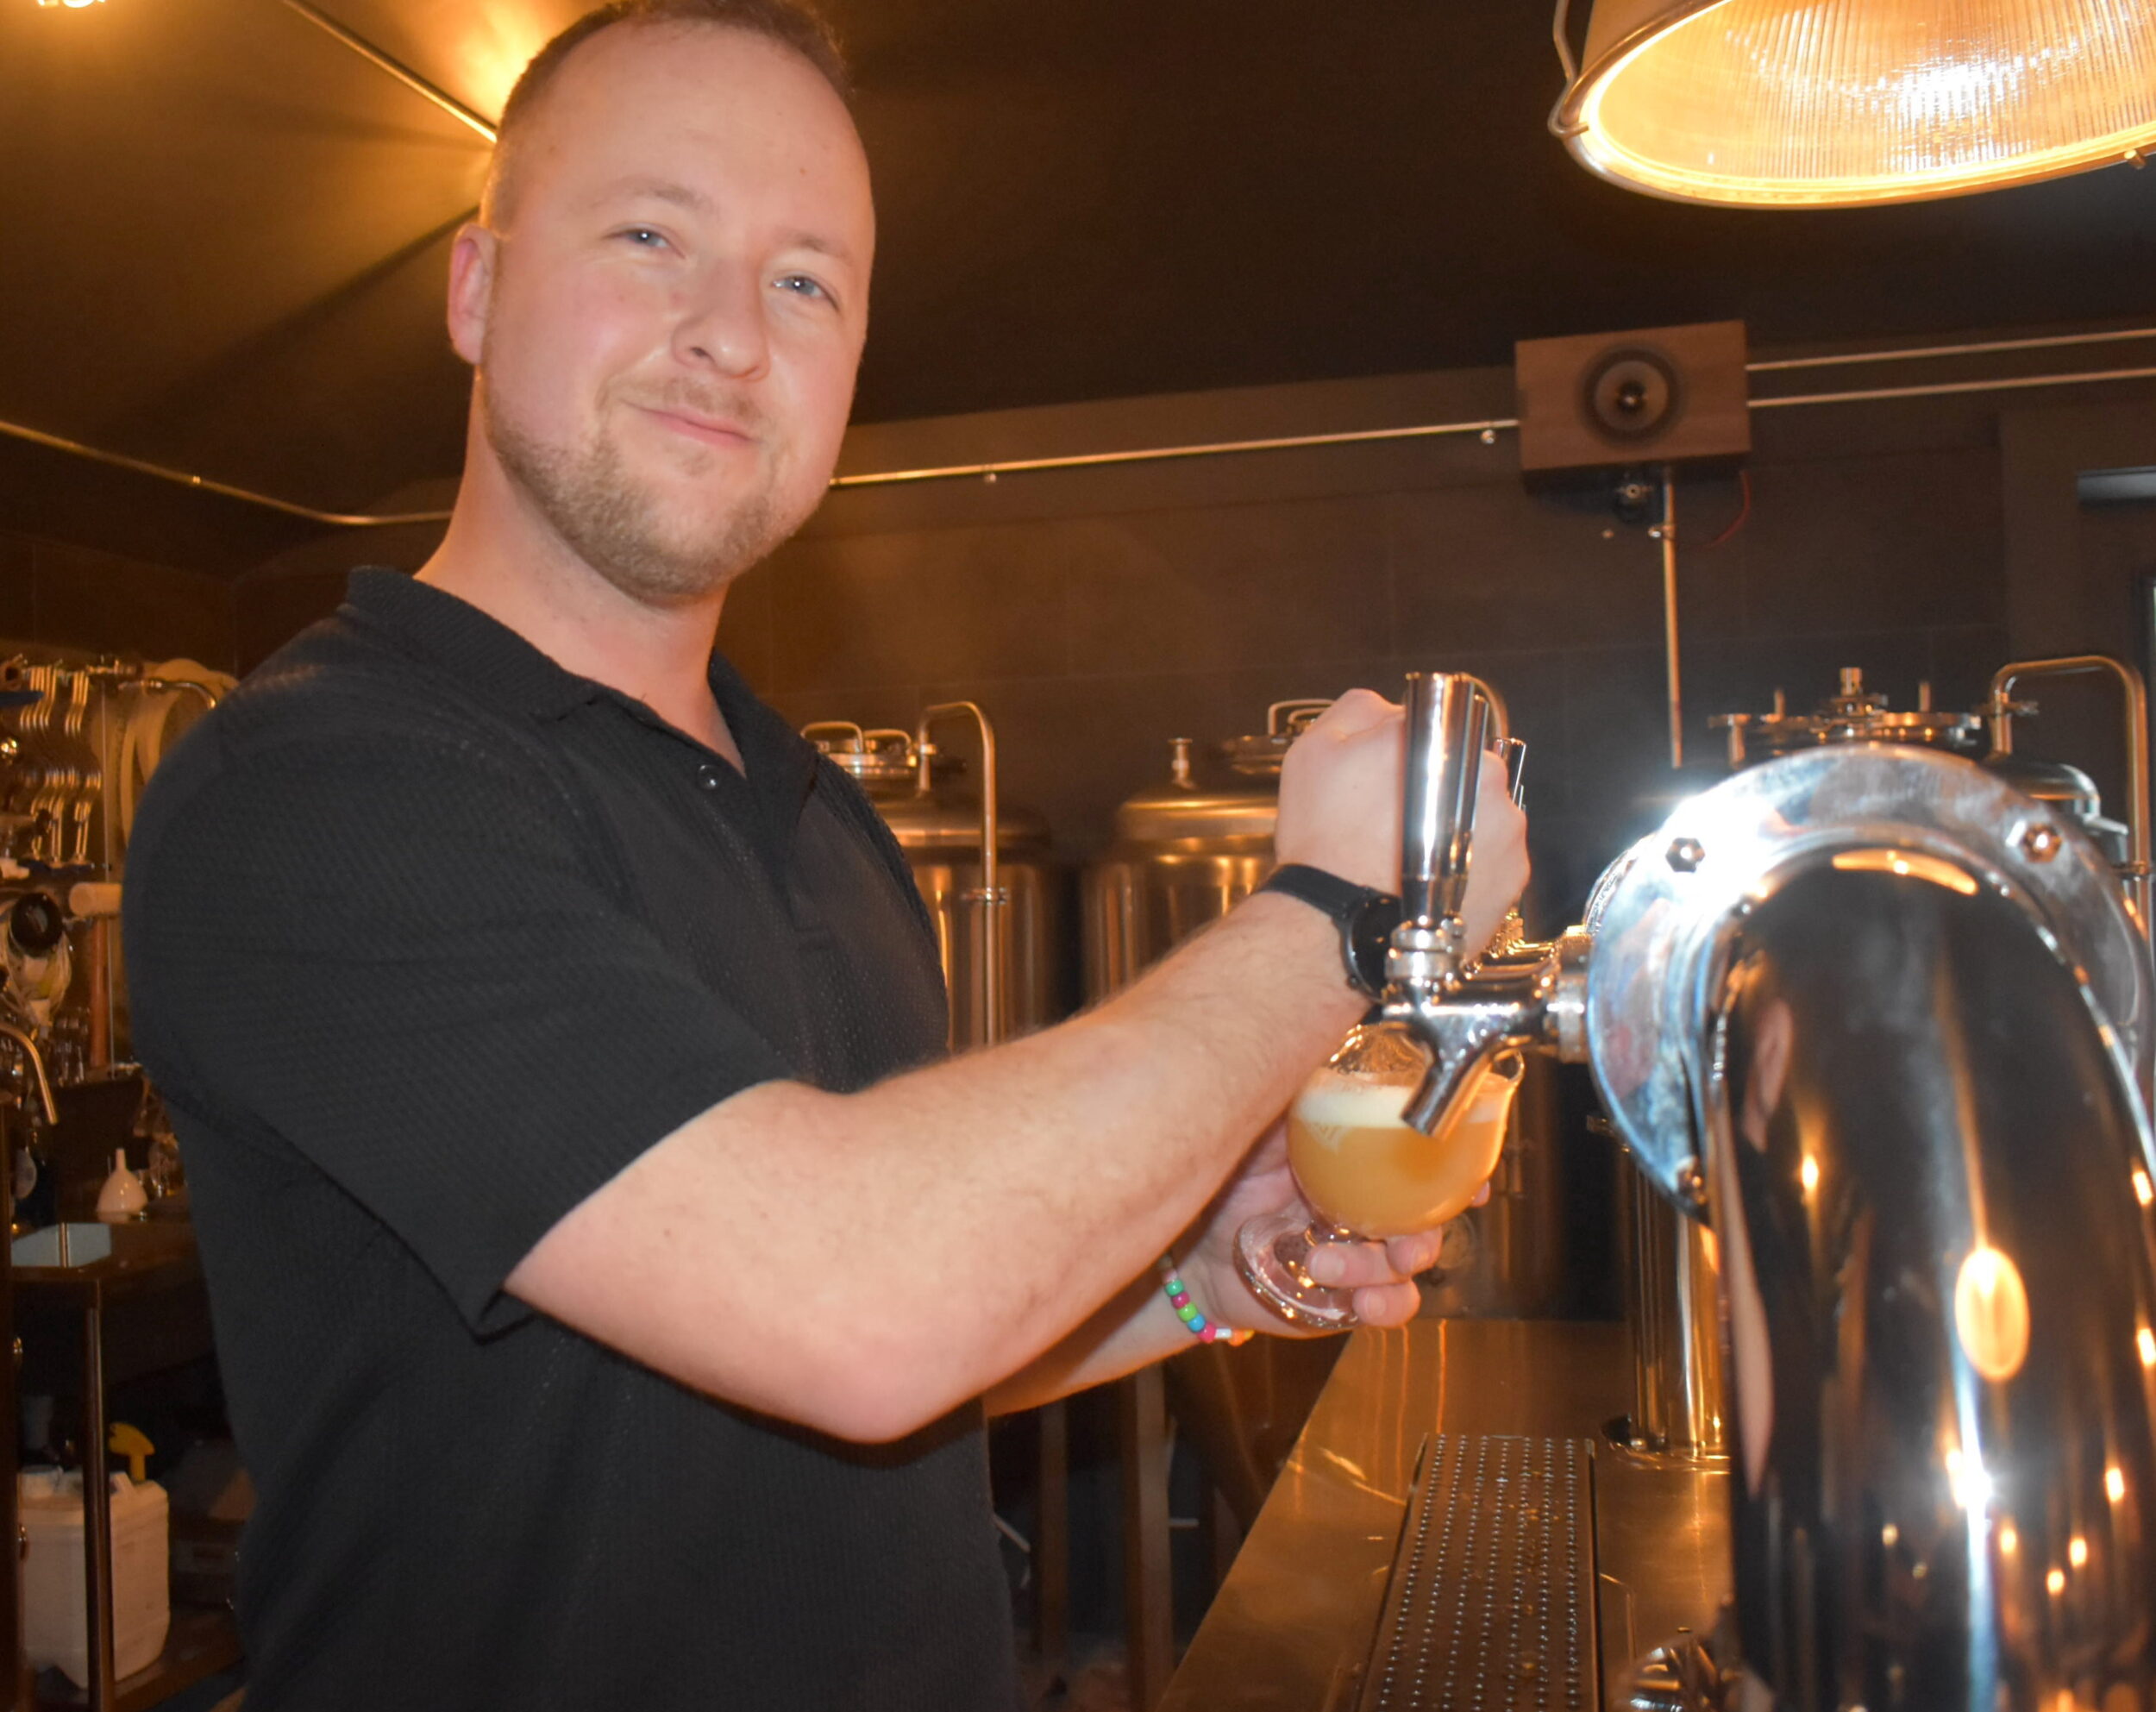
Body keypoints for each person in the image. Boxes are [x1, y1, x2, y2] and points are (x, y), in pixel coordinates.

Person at [121, 3, 1530, 1708]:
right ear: (476, 291)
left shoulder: (811, 808)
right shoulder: (318, 791)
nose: (728, 333)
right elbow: (858, 1310)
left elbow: (884, 1355)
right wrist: (1336, 914)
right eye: (651, 236)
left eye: (805, 282)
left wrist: (1199, 1275)